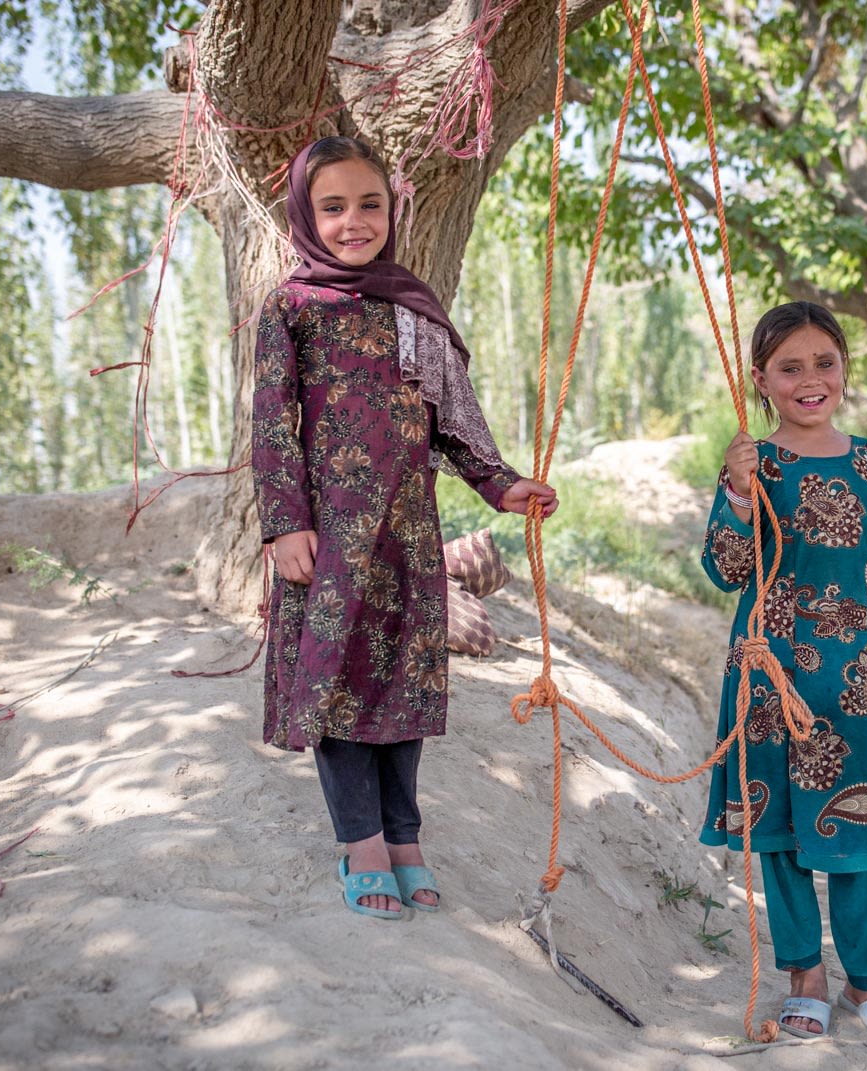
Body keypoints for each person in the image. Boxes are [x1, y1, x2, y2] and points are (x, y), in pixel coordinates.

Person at [252, 136, 557, 920]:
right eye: (333, 206)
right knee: (340, 682)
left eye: (369, 204)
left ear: (393, 209)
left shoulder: (410, 303)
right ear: (304, 214)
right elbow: (272, 426)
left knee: (400, 686)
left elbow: (452, 421)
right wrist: (285, 525)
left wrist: (502, 483)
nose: (353, 221)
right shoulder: (293, 308)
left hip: (407, 535)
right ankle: (361, 842)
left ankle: (406, 836)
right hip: (328, 540)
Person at [700, 301, 867, 1045]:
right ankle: (805, 975)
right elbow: (726, 568)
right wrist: (737, 492)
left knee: (861, 830)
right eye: (790, 367)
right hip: (774, 679)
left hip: (861, 679)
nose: (810, 380)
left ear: (844, 370)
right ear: (761, 380)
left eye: (824, 363)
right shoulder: (753, 463)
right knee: (779, 833)